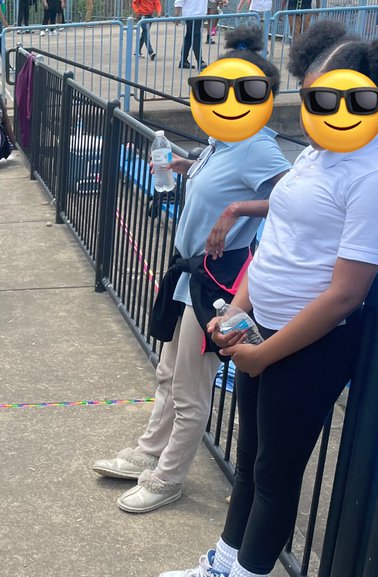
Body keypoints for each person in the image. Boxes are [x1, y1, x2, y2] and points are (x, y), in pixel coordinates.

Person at [157, 22, 378, 577]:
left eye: (332, 97)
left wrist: (268, 352)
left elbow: (346, 293)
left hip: (309, 346)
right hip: (263, 328)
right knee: (250, 459)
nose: (319, 109)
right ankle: (226, 563)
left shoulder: (374, 176)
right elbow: (273, 245)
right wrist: (238, 311)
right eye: (311, 96)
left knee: (276, 471)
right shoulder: (316, 154)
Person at [93, 26, 290, 514]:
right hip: (189, 273)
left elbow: (292, 199)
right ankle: (149, 450)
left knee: (190, 387)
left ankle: (168, 478)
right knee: (168, 372)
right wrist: (181, 165)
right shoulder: (223, 140)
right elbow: (213, 176)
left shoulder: (256, 146)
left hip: (215, 283)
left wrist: (237, 210)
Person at [180, 0, 207, 69]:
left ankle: (183, 60)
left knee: (189, 37)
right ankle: (200, 61)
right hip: (192, 14)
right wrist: (176, 12)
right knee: (196, 37)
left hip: (197, 14)